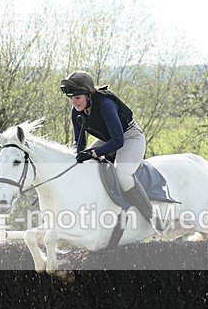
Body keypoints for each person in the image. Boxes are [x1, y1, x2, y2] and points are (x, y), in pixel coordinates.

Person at [59, 70, 153, 222]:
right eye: (70, 98)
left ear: (88, 95)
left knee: (122, 174)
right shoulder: (76, 111)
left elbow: (118, 141)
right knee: (83, 164)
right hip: (108, 139)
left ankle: (150, 215)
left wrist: (93, 153)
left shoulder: (105, 105)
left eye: (77, 98)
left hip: (129, 137)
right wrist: (77, 155)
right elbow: (79, 142)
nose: (74, 102)